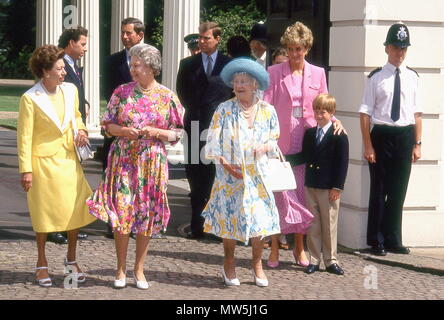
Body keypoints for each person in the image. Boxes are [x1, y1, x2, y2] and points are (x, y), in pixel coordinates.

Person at [87, 44, 184, 289]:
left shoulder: (167, 96)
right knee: (121, 212)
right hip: (123, 159)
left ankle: (139, 269)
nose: (132, 69)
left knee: (146, 214)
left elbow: (178, 132)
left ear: (151, 67)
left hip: (152, 163)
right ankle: (120, 269)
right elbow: (107, 125)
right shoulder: (122, 92)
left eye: (137, 65)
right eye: (131, 64)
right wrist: (124, 131)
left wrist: (158, 132)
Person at [263, 21, 345, 268]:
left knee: (301, 198)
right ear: (286, 48)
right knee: (279, 197)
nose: (295, 53)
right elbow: (266, 107)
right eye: (291, 48)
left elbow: (325, 104)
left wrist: (337, 121)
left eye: (300, 48)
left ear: (307, 48)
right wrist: (266, 138)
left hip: (308, 143)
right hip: (281, 142)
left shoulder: (318, 73)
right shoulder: (273, 73)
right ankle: (275, 248)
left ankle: (300, 248)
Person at [17, 45, 96, 287]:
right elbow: (25, 137)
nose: (64, 73)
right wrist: (26, 170)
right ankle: (41, 262)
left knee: (74, 211)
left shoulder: (71, 90)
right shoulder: (30, 98)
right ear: (45, 71)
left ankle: (71, 260)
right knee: (44, 215)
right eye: (59, 68)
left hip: (69, 161)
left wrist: (81, 131)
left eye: (64, 68)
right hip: (42, 165)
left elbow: (77, 117)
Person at [202, 58, 280, 287]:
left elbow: (274, 140)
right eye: (236, 81)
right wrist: (227, 165)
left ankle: (257, 265)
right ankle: (229, 263)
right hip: (230, 177)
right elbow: (212, 144)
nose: (239, 85)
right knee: (230, 221)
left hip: (258, 177)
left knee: (260, 222)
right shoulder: (224, 109)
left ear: (255, 84)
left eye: (244, 81)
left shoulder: (268, 111)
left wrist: (265, 147)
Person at [359, 23, 421, 256]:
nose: (400, 53)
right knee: (379, 189)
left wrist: (417, 143)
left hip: (404, 135)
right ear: (387, 48)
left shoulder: (413, 77)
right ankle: (376, 239)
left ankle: (394, 238)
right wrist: (368, 145)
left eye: (403, 48)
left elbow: (417, 114)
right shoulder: (376, 77)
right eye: (396, 47)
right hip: (382, 136)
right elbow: (365, 113)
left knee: (398, 190)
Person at [176, 21, 232, 239]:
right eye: (200, 37)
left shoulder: (229, 64)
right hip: (195, 124)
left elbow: (231, 93)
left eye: (206, 38)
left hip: (220, 128)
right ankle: (198, 223)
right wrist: (197, 111)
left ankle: (218, 225)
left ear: (217, 39)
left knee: (217, 176)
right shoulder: (188, 64)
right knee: (195, 174)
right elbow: (182, 91)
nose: (202, 41)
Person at [286, 94, 349, 275]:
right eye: (316, 111)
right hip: (311, 183)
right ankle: (314, 259)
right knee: (313, 223)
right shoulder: (310, 133)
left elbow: (342, 163)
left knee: (329, 224)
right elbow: (304, 156)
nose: (319, 115)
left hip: (329, 187)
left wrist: (337, 187)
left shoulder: (339, 135)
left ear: (332, 113)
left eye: (323, 112)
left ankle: (331, 260)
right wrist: (283, 159)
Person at [102, 17, 145, 239]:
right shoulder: (111, 62)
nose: (125, 36)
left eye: (129, 33)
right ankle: (115, 221)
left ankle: (137, 223)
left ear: (140, 35)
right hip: (118, 130)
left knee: (139, 180)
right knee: (115, 178)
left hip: (142, 135)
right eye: (123, 32)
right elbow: (107, 93)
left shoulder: (153, 60)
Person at [51, 26, 90, 244]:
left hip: (75, 131)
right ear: (70, 44)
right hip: (63, 134)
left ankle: (68, 226)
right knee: (59, 184)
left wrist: (84, 105)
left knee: (70, 184)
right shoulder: (60, 65)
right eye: (82, 44)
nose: (85, 48)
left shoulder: (74, 65)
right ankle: (54, 227)